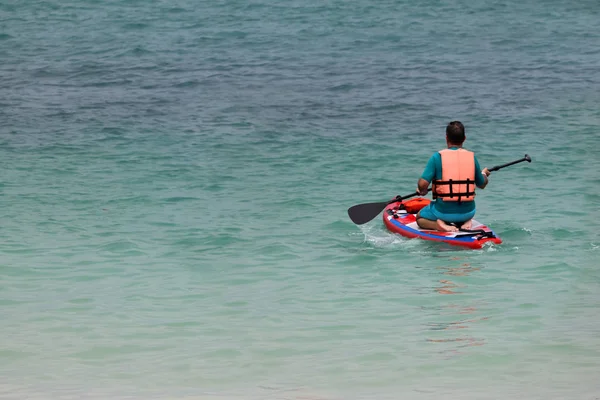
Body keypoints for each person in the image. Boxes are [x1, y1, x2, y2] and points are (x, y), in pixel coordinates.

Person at [416, 121, 491, 232]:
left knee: (419, 218)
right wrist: (483, 174)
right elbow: (482, 184)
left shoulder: (437, 157)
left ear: (446, 138)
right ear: (464, 138)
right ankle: (466, 220)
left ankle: (439, 225)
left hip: (443, 212)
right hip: (468, 212)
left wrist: (422, 190)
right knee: (462, 210)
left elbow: (423, 185)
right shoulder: (471, 157)